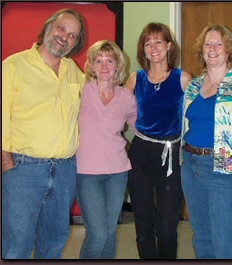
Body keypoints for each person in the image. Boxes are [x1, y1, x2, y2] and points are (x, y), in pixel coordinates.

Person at [2, 8, 86, 259]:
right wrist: (5, 159)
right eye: (62, 28)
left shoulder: (75, 72)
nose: (65, 37)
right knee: (17, 242)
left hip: (64, 172)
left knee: (54, 241)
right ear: (48, 28)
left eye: (73, 35)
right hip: (23, 170)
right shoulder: (13, 65)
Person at [181, 24, 232, 259]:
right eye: (207, 44)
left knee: (225, 246)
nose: (212, 49)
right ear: (201, 50)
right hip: (192, 166)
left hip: (226, 172)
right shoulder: (193, 85)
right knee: (202, 238)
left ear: (229, 50)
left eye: (218, 44)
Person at [125, 22, 193, 259]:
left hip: (171, 155)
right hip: (141, 153)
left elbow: (199, 116)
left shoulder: (182, 78)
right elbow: (119, 113)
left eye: (158, 42)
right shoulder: (136, 79)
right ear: (143, 50)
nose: (153, 47)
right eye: (148, 43)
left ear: (169, 46)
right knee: (143, 225)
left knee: (167, 228)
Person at [75, 40, 137, 259]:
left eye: (109, 60)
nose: (104, 66)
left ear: (118, 65)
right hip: (86, 173)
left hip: (117, 172)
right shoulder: (79, 92)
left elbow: (144, 127)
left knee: (110, 233)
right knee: (98, 234)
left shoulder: (127, 98)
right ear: (91, 65)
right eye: (98, 61)